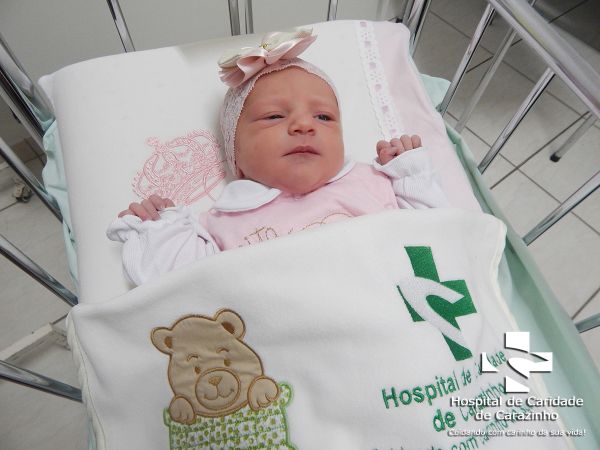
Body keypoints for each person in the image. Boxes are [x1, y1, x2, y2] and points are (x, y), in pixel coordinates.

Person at [107, 29, 449, 286]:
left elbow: (438, 236)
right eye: (274, 116)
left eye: (324, 117)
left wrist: (410, 175)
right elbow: (180, 287)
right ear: (235, 155)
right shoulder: (224, 222)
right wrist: (160, 232)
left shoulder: (372, 182)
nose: (304, 125)